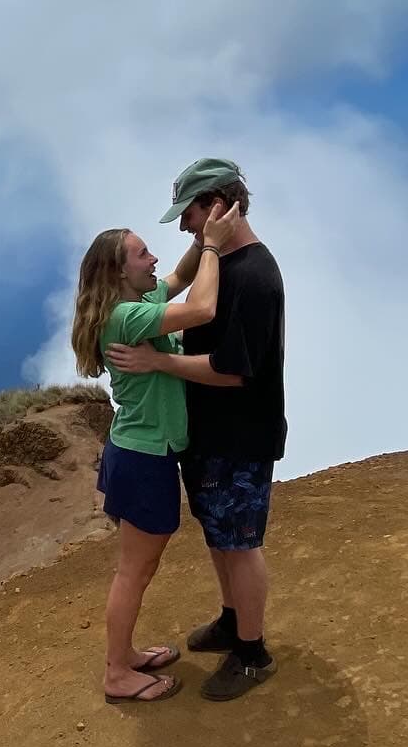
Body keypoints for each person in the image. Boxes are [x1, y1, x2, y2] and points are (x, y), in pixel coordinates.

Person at [107, 157, 285, 702]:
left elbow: (233, 372)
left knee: (240, 542)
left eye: (190, 212)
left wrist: (159, 363)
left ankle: (251, 653)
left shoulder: (253, 276)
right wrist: (209, 242)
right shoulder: (222, 266)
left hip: (239, 434)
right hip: (208, 435)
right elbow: (186, 281)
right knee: (221, 537)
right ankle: (234, 622)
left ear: (217, 207)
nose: (183, 224)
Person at [70, 198, 239, 703]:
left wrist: (200, 238)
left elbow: (180, 280)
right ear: (119, 273)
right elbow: (202, 306)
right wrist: (212, 245)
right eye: (142, 255)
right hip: (143, 458)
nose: (153, 261)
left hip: (138, 451)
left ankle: (126, 657)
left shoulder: (132, 307)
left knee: (138, 569)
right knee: (134, 570)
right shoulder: (127, 318)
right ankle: (116, 673)